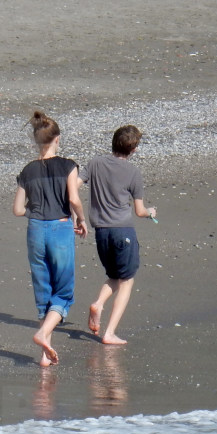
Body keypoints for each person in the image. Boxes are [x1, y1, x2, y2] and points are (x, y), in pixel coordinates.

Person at [13, 111, 87, 367]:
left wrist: (36, 208)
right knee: (64, 292)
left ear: (36, 141)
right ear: (57, 138)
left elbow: (18, 209)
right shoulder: (68, 165)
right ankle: (44, 334)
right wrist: (82, 219)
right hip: (60, 227)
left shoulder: (27, 170)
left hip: (35, 228)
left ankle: (45, 354)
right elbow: (74, 199)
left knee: (43, 289)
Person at [79, 124, 156, 345]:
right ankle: (109, 332)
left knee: (114, 275)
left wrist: (78, 215)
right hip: (123, 231)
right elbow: (140, 211)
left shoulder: (95, 163)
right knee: (127, 280)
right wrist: (151, 213)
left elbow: (73, 184)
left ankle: (99, 304)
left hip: (101, 232)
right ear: (133, 150)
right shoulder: (133, 172)